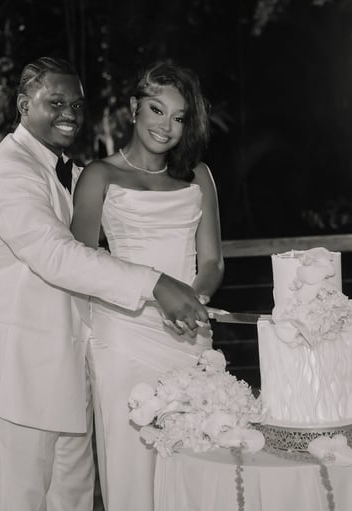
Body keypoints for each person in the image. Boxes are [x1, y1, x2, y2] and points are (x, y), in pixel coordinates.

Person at [0, 56, 209, 511]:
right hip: (15, 377)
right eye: (55, 101)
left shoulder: (62, 168)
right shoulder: (8, 172)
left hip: (68, 374)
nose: (70, 111)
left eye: (77, 103)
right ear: (23, 104)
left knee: (74, 501)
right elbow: (57, 255)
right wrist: (155, 283)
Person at [70, 61, 224, 511]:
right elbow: (80, 260)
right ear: (135, 107)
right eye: (157, 110)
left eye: (179, 118)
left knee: (197, 453)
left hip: (190, 330)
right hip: (123, 333)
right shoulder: (100, 175)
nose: (166, 126)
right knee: (132, 459)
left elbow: (212, 259)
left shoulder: (199, 176)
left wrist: (196, 301)